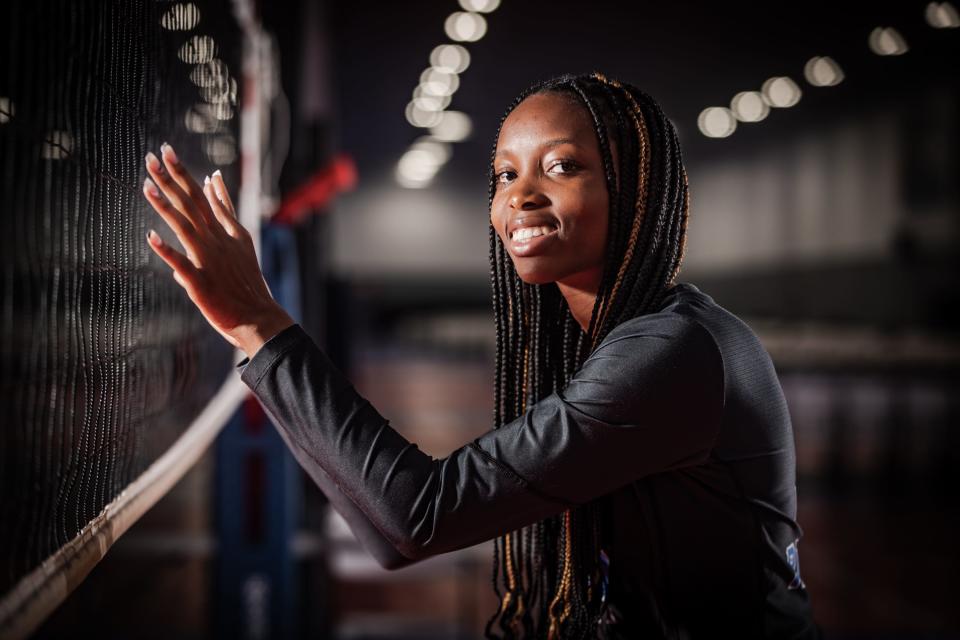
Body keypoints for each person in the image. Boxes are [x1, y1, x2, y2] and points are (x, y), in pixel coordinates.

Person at [142, 72, 821, 639]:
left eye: (562, 166)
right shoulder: (620, 340)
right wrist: (255, 334)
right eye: (504, 174)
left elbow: (415, 513)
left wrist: (262, 324)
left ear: (636, 189)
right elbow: (389, 530)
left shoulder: (673, 354)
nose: (520, 195)